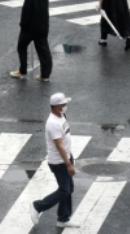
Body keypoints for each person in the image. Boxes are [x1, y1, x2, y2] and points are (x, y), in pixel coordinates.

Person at [30, 93, 78, 228]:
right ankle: (38, 206)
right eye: (63, 104)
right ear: (56, 106)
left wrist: (69, 158)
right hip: (59, 162)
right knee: (64, 190)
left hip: (67, 157)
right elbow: (59, 145)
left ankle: (63, 218)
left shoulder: (61, 116)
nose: (65, 106)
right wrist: (68, 164)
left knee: (69, 189)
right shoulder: (52, 123)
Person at [10, 0, 52, 81]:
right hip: (42, 28)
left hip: (29, 29)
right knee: (44, 51)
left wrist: (22, 26)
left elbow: (26, 14)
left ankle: (22, 70)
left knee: (21, 47)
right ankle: (45, 74)